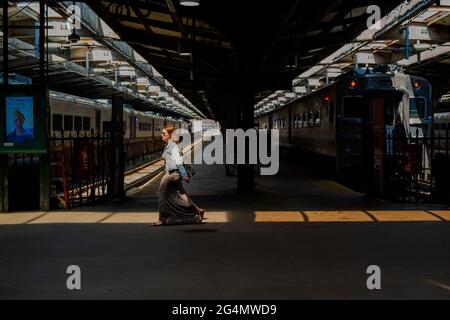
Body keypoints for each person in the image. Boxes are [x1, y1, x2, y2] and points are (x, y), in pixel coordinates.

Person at [151, 125, 205, 226]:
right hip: (172, 174)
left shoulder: (173, 147)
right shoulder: (168, 146)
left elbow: (179, 162)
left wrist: (184, 175)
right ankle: (197, 211)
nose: (161, 135)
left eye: (164, 134)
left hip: (172, 175)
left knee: (161, 194)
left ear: (170, 135)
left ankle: (162, 219)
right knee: (182, 196)